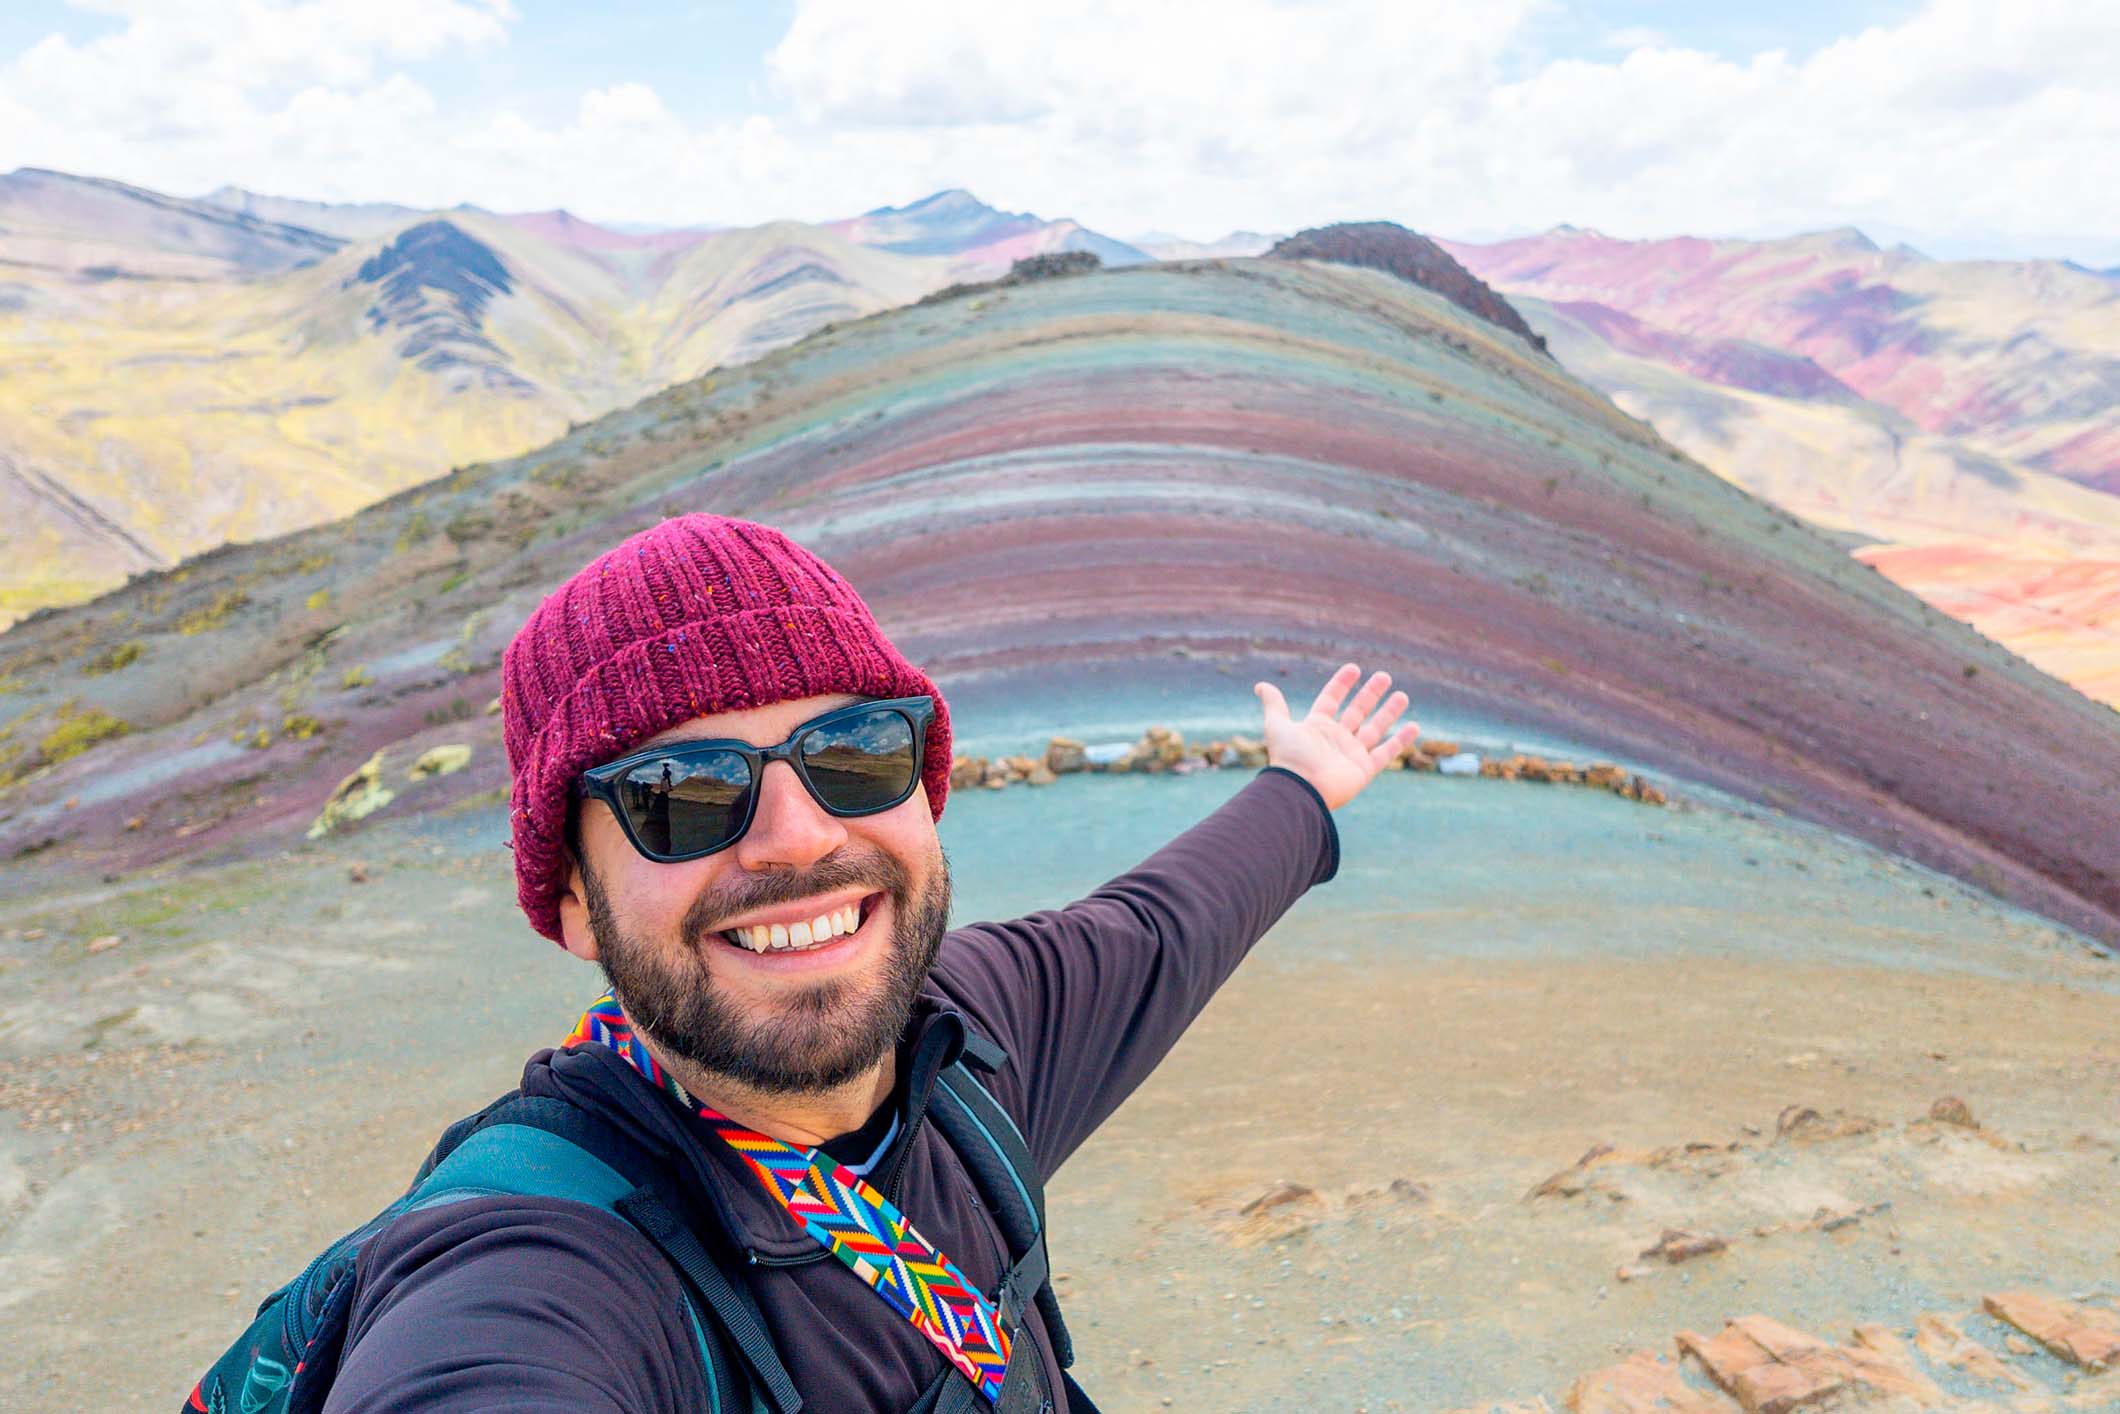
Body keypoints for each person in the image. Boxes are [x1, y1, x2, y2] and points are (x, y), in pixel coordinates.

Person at [324, 513, 1418, 1412]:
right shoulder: (535, 1260)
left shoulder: (970, 1039)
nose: (797, 837)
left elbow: (1162, 926)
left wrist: (1302, 786)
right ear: (570, 900)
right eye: (683, 794)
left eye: (851, 754)